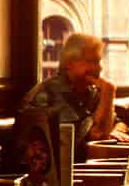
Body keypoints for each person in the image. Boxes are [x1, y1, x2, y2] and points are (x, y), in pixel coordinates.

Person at [16, 30, 116, 170]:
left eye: (98, 61)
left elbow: (112, 125)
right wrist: (109, 93)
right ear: (70, 63)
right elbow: (97, 136)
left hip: (79, 169)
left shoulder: (91, 92)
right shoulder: (46, 95)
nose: (98, 68)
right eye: (91, 61)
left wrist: (116, 127)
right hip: (46, 175)